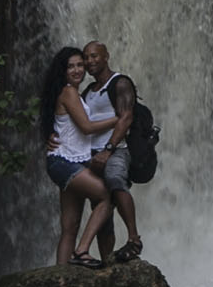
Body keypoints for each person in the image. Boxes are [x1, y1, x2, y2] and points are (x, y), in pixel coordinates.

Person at [36, 45, 118, 268]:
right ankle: (81, 251)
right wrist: (119, 120)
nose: (76, 70)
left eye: (80, 65)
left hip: (68, 161)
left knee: (69, 226)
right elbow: (87, 127)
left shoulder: (73, 93)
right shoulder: (69, 92)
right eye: (70, 66)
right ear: (62, 70)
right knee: (106, 196)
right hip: (65, 163)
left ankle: (60, 279)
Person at [76, 41, 145, 265]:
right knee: (100, 205)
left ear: (106, 56)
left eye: (95, 56)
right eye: (86, 57)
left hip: (115, 150)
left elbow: (126, 117)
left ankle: (134, 239)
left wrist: (109, 149)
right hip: (92, 154)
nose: (89, 61)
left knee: (116, 182)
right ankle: (107, 260)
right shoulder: (88, 91)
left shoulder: (120, 83)